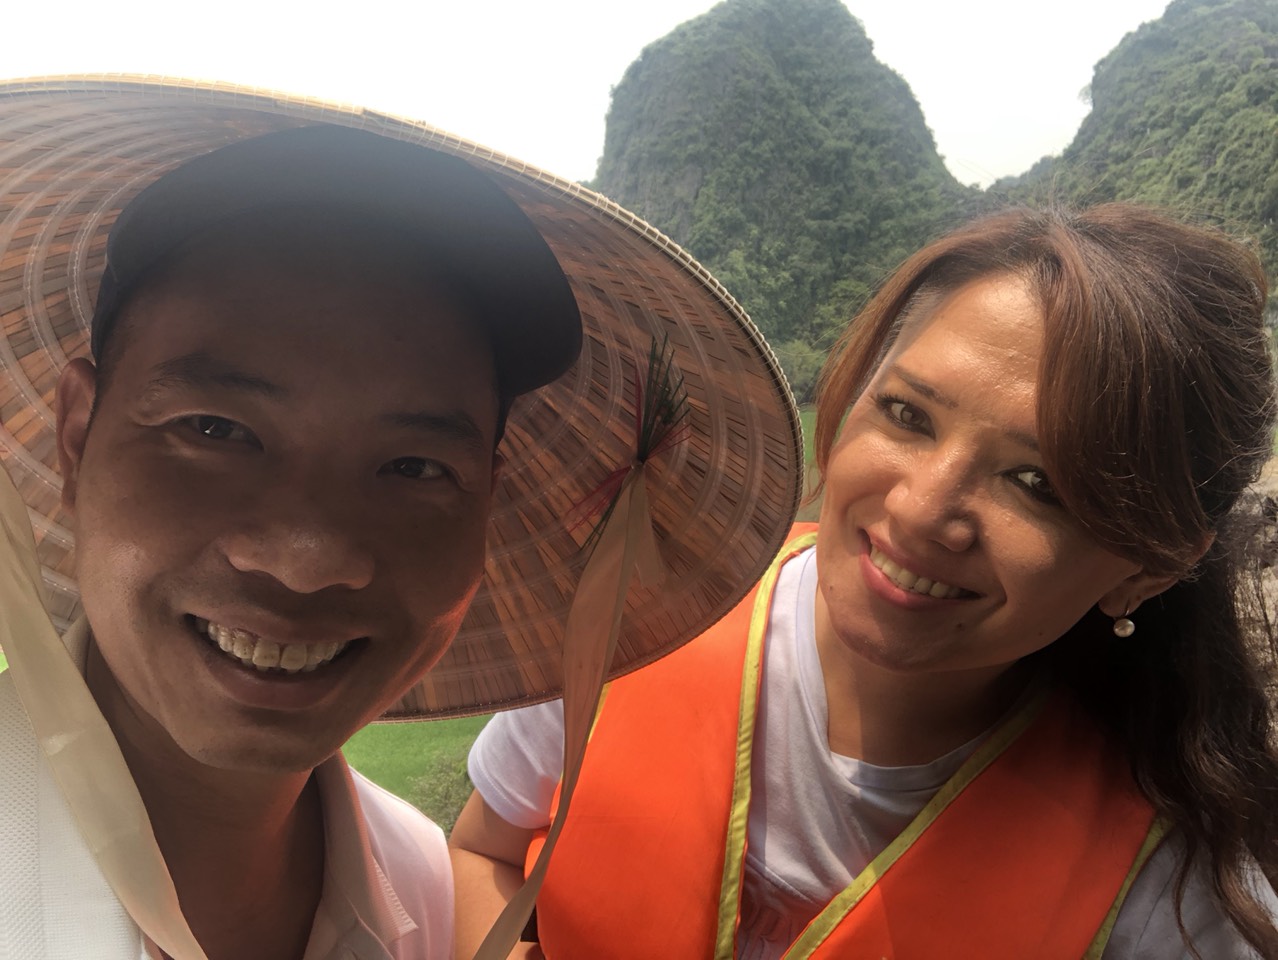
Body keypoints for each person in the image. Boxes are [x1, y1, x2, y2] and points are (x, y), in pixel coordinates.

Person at [0, 78, 803, 960]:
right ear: (79, 437)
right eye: (215, 430)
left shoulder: (418, 880)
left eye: (414, 467)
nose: (307, 559)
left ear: (488, 503)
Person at [451, 204, 1278, 959]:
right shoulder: (639, 620)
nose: (922, 511)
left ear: (1145, 571)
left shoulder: (1172, 900)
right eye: (908, 415)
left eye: (1039, 485)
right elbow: (484, 847)